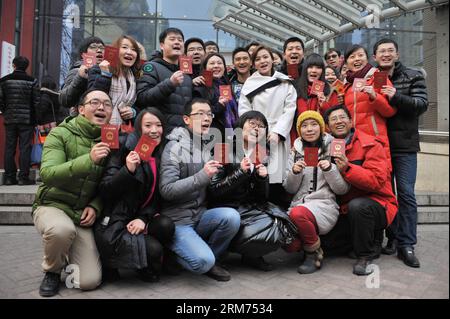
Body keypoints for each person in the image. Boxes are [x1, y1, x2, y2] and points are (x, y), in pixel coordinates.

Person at [32, 89, 113, 297]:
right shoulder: (60, 133)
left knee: (88, 281)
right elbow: (48, 174)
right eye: (95, 102)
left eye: (107, 104)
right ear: (81, 109)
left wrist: (95, 205)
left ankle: (63, 252)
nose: (101, 107)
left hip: (80, 214)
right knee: (60, 230)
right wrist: (89, 159)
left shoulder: (111, 139)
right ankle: (52, 270)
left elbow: (107, 184)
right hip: (52, 205)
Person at [159, 98, 240, 281]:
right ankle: (177, 255)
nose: (206, 118)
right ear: (186, 119)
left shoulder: (206, 144)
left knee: (231, 217)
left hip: (200, 215)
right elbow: (167, 189)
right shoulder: (174, 147)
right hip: (179, 220)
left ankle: (211, 259)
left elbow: (212, 185)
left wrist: (240, 172)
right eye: (200, 114)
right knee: (202, 262)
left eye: (209, 114)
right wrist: (203, 175)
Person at [95, 107, 175, 283]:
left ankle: (146, 262)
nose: (154, 130)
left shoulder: (163, 153)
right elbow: (105, 190)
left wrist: (143, 219)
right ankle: (113, 262)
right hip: (116, 219)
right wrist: (128, 170)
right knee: (153, 250)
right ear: (138, 128)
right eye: (148, 125)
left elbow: (158, 197)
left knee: (165, 225)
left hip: (140, 217)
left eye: (158, 125)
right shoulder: (123, 149)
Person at [208, 111, 290, 271]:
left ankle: (251, 254)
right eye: (252, 123)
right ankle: (219, 254)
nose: (257, 129)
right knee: (240, 222)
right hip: (226, 208)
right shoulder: (223, 148)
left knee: (282, 224)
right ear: (240, 126)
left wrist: (262, 179)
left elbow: (261, 196)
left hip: (249, 207)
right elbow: (214, 190)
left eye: (261, 126)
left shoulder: (261, 152)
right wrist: (240, 172)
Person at [323, 105, 398, 276]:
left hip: (378, 204)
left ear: (351, 122)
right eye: (333, 119)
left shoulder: (370, 143)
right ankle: (368, 239)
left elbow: (377, 181)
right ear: (328, 127)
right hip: (345, 208)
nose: (338, 122)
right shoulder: (327, 147)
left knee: (359, 206)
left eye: (342, 118)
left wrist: (348, 169)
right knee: (327, 244)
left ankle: (365, 255)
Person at [373, 38, 428, 268]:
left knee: (405, 194)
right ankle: (393, 237)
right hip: (381, 147)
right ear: (375, 56)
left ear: (396, 54)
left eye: (390, 51)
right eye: (381, 52)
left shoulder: (412, 75)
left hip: (404, 146)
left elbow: (421, 104)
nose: (385, 55)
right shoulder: (373, 77)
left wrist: (396, 95)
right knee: (388, 195)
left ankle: (407, 244)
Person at [283, 111, 349, 274]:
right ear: (299, 130)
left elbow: (342, 189)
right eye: (304, 126)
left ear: (321, 127)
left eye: (314, 124)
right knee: (290, 245)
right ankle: (309, 244)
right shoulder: (295, 151)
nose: (309, 129)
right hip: (299, 204)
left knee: (299, 214)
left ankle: (313, 252)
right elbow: (290, 188)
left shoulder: (334, 148)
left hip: (324, 205)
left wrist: (330, 169)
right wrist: (295, 172)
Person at [238, 46, 297, 209]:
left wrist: (278, 131)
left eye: (265, 57)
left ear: (272, 59)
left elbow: (290, 109)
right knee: (259, 174)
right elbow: (244, 111)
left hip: (278, 135)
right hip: (257, 136)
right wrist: (255, 131)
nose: (262, 61)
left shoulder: (285, 82)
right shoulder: (249, 84)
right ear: (253, 64)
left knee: (278, 176)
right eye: (257, 59)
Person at [342, 45, 397, 171]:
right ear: (346, 63)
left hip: (375, 140)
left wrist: (374, 96)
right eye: (352, 57)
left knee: (379, 179)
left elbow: (389, 111)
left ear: (367, 59)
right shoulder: (346, 85)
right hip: (353, 142)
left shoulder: (379, 77)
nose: (357, 59)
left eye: (360, 55)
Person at [136, 28, 192, 133]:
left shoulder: (187, 74)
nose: (177, 42)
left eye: (180, 40)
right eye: (172, 39)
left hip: (184, 134)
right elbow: (142, 98)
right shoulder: (150, 67)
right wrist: (170, 84)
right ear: (162, 45)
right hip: (161, 133)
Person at [0, 56, 39, 185]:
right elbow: (36, 102)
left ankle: (9, 177)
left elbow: (1, 100)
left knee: (9, 148)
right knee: (25, 148)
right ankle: (23, 177)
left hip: (10, 118)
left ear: (13, 65)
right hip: (26, 120)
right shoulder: (32, 80)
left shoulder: (4, 81)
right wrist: (35, 118)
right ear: (26, 66)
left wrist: (6, 111)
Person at [88, 35, 140, 126]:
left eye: (134, 49)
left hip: (125, 131)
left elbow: (141, 105)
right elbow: (93, 99)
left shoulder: (136, 77)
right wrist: (105, 75)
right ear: (115, 51)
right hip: (99, 127)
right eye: (124, 47)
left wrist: (134, 112)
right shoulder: (98, 69)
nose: (129, 52)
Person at [193, 53, 239, 138]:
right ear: (205, 68)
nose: (216, 66)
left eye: (219, 63)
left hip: (232, 137)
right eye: (212, 63)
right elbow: (200, 116)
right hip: (212, 137)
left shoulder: (226, 86)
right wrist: (219, 105)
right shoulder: (200, 88)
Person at [59, 36, 105, 110]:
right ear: (83, 53)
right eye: (93, 47)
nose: (99, 50)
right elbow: (64, 100)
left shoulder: (108, 72)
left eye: (102, 48)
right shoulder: (77, 71)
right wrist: (80, 77)